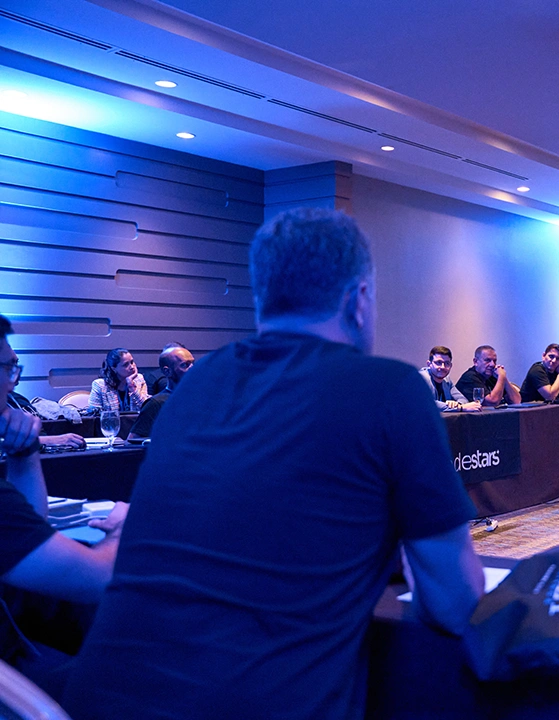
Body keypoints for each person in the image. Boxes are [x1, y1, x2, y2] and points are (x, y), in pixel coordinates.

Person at [64, 208, 484, 719]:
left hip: (94, 699)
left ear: (263, 297)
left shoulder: (196, 386)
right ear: (359, 299)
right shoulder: (392, 390)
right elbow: (454, 602)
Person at [0, 315, 128, 675]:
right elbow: (98, 580)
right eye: (8, 368)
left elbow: (29, 525)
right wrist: (122, 530)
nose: (13, 382)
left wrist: (24, 452)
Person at [126, 346, 195, 441]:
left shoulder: (199, 398)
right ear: (167, 371)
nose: (193, 369)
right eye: (185, 365)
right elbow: (132, 441)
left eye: (192, 363)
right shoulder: (156, 404)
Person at [456, 345, 522, 407]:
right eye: (487, 360)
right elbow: (492, 403)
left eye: (494, 361)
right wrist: (501, 377)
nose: (492, 364)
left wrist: (504, 379)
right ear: (475, 362)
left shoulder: (491, 376)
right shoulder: (469, 377)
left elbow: (517, 401)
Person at [418, 346, 480, 412]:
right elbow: (426, 403)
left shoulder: (447, 380)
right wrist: (460, 407)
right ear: (429, 364)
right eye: (438, 362)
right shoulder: (421, 378)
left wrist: (456, 404)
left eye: (447, 363)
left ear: (450, 366)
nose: (443, 367)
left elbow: (462, 399)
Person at [88, 348, 148, 413]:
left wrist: (132, 387)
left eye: (132, 362)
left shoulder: (139, 379)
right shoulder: (100, 385)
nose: (132, 367)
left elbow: (147, 408)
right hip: (111, 420)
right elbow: (93, 413)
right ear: (114, 368)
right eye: (126, 365)